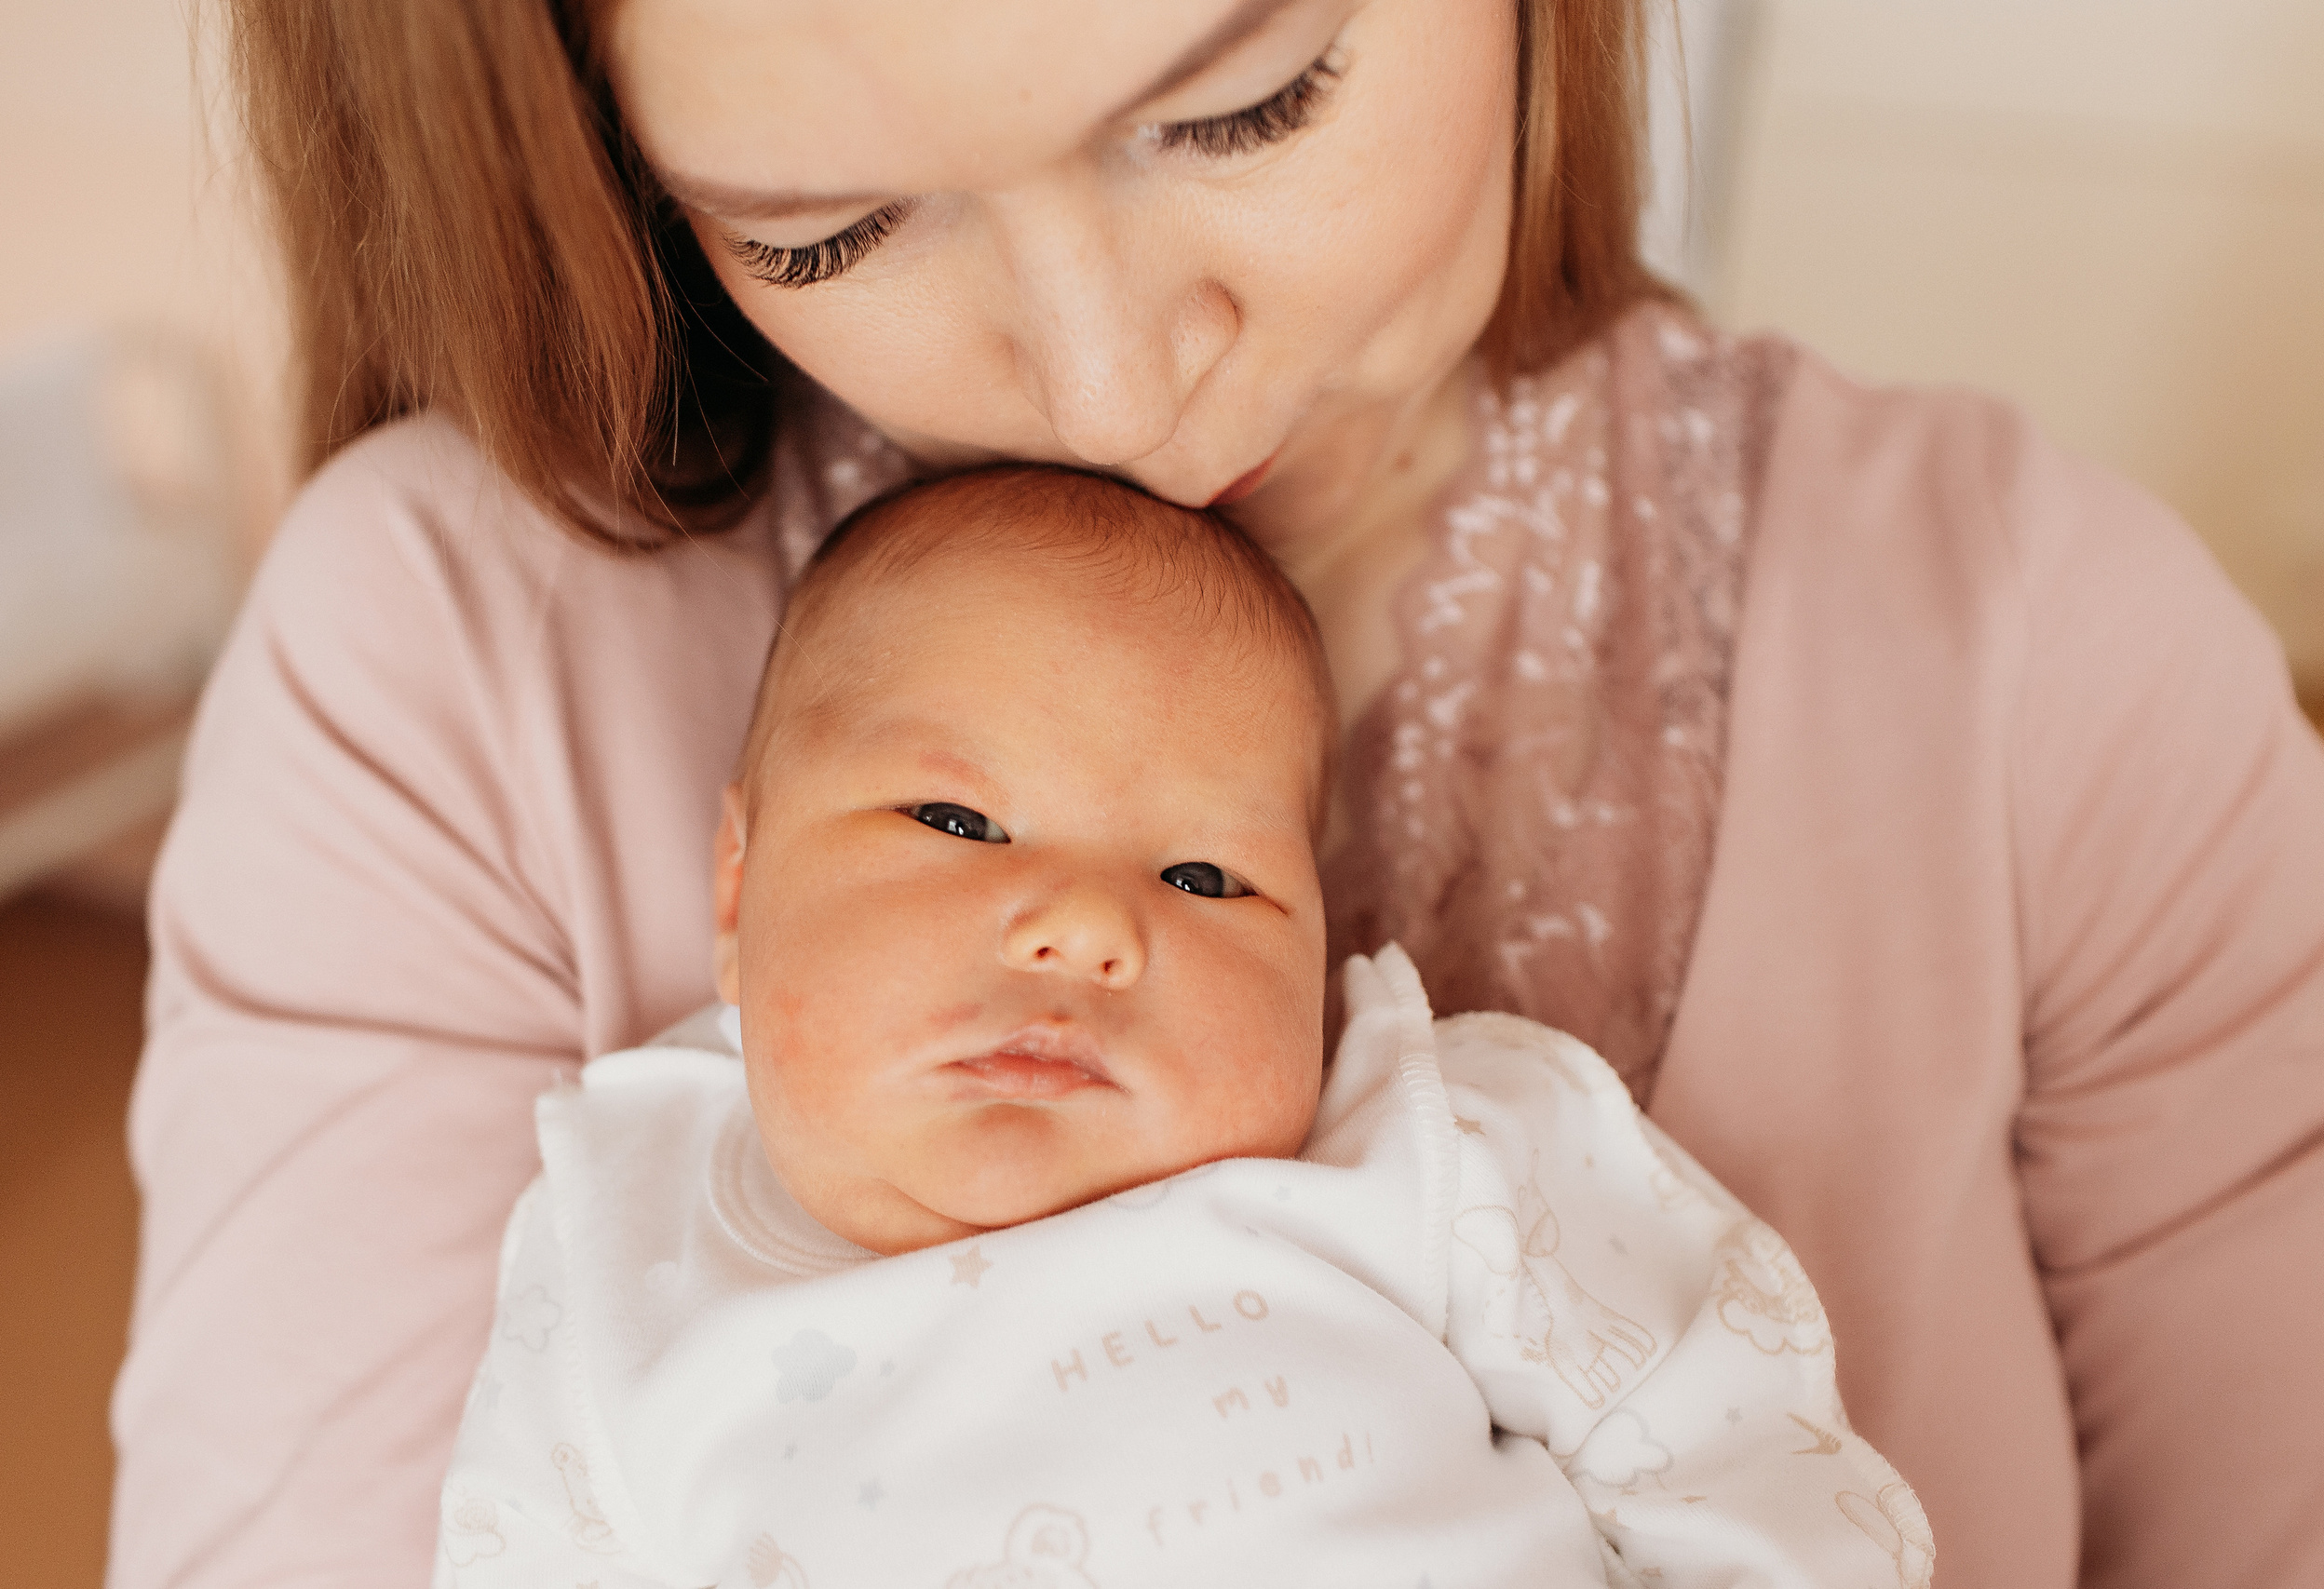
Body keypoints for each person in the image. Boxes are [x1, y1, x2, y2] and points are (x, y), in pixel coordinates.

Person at [112, 1, 2324, 1586]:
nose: (1111, 384)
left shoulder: (2042, 651)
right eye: (820, 231)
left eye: (1249, 95)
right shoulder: (442, 666)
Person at [434, 467, 1925, 1587]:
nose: (1086, 927)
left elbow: (1733, 1428)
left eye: (1205, 876)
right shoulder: (621, 1242)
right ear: (739, 887)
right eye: (959, 818)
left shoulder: (1432, 1144)